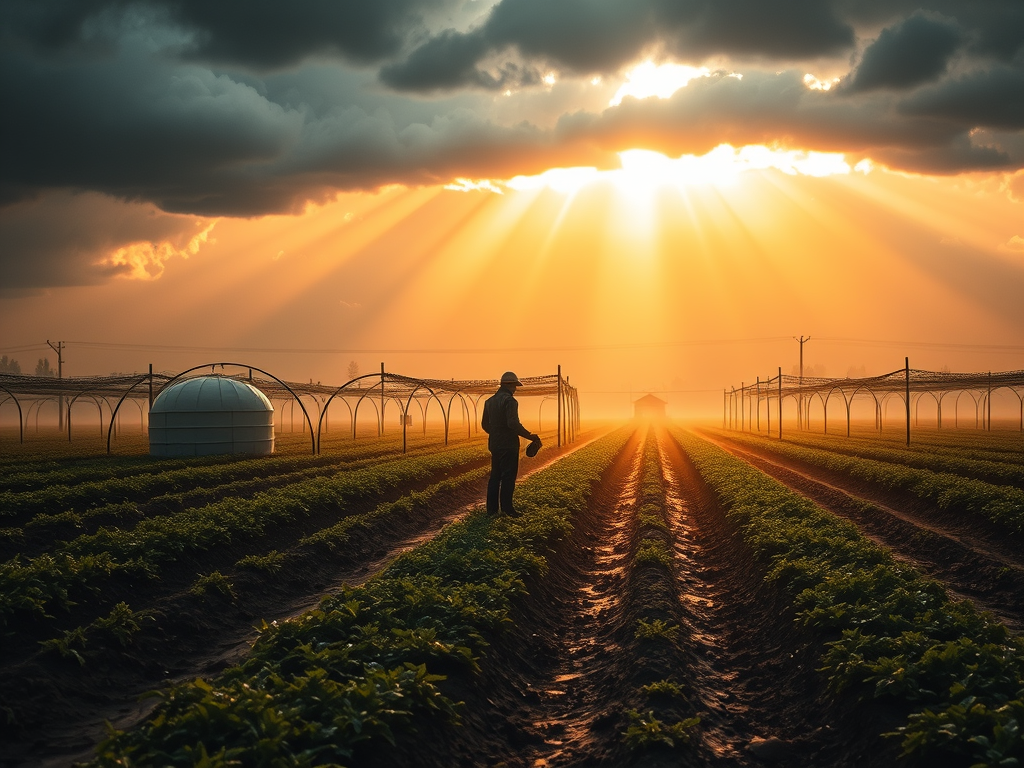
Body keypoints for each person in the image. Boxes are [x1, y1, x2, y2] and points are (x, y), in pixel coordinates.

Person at [481, 371, 541, 515]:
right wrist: (529, 436)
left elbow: (484, 424)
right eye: (514, 386)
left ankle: (492, 510)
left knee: (495, 476)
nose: (515, 389)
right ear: (509, 385)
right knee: (508, 477)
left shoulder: (489, 402)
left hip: (495, 444)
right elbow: (513, 423)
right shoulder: (510, 401)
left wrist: (496, 433)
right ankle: (508, 509)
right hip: (509, 445)